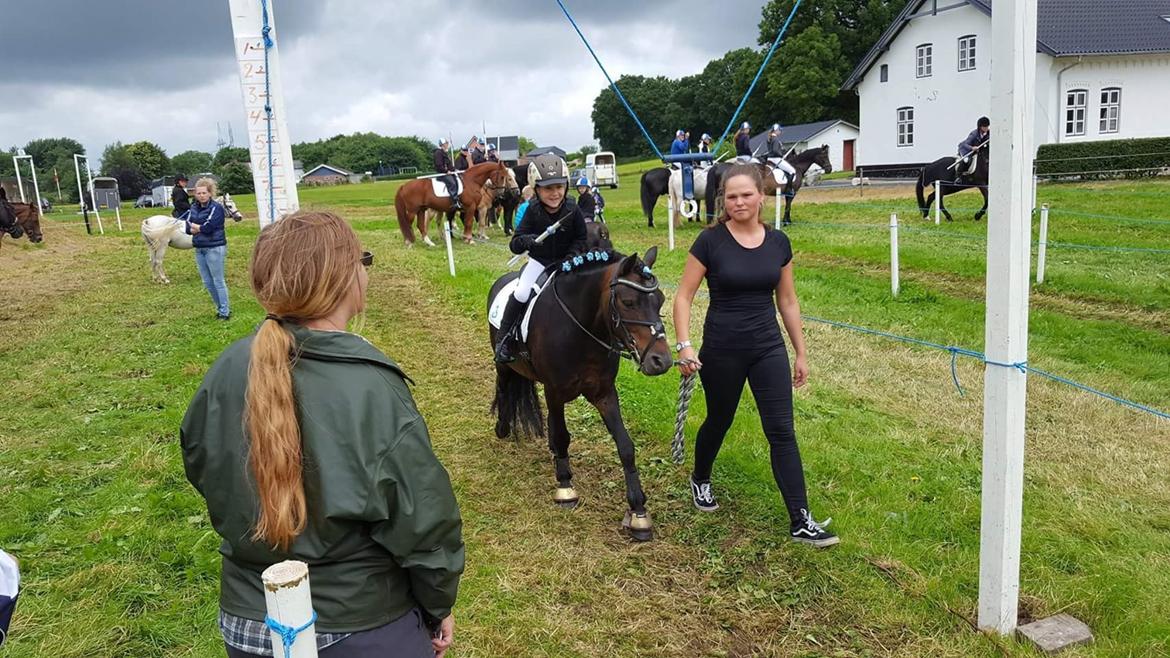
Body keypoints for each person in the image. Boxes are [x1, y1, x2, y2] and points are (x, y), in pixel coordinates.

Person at [181, 210, 464, 658]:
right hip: (360, 627)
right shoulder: (372, 387)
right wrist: (437, 604)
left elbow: (202, 468)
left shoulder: (224, 370)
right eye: (362, 261)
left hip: (246, 624)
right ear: (342, 279)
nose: (365, 273)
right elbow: (423, 521)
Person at [672, 164, 838, 548]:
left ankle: (800, 519)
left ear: (762, 196)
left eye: (746, 194)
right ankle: (700, 478)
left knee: (781, 431)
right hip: (722, 349)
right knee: (719, 420)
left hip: (767, 348)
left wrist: (800, 351)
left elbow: (788, 300)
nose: (739, 202)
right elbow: (683, 296)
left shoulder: (778, 242)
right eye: (731, 196)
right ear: (723, 201)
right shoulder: (709, 242)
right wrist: (685, 346)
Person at [495, 154, 588, 363]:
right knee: (521, 293)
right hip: (540, 262)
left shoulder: (573, 208)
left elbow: (581, 237)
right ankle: (505, 339)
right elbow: (515, 243)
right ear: (536, 188)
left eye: (559, 187)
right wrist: (528, 240)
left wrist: (573, 255)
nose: (555, 193)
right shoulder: (532, 210)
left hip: (568, 262)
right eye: (548, 188)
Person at [185, 177, 231, 320]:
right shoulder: (193, 208)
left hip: (214, 247)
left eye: (204, 193)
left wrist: (198, 227)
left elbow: (209, 227)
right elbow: (187, 227)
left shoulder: (216, 208)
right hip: (200, 248)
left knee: (218, 280)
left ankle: (225, 311)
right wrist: (198, 228)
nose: (201, 196)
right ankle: (219, 308)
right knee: (207, 282)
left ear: (210, 193)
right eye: (198, 193)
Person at [433, 137, 462, 210]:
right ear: (442, 144)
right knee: (452, 183)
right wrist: (446, 171)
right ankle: (454, 201)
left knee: (458, 179)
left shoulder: (445, 153)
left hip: (447, 173)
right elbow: (439, 165)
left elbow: (449, 165)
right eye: (446, 143)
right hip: (442, 174)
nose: (447, 145)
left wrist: (454, 170)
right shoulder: (438, 153)